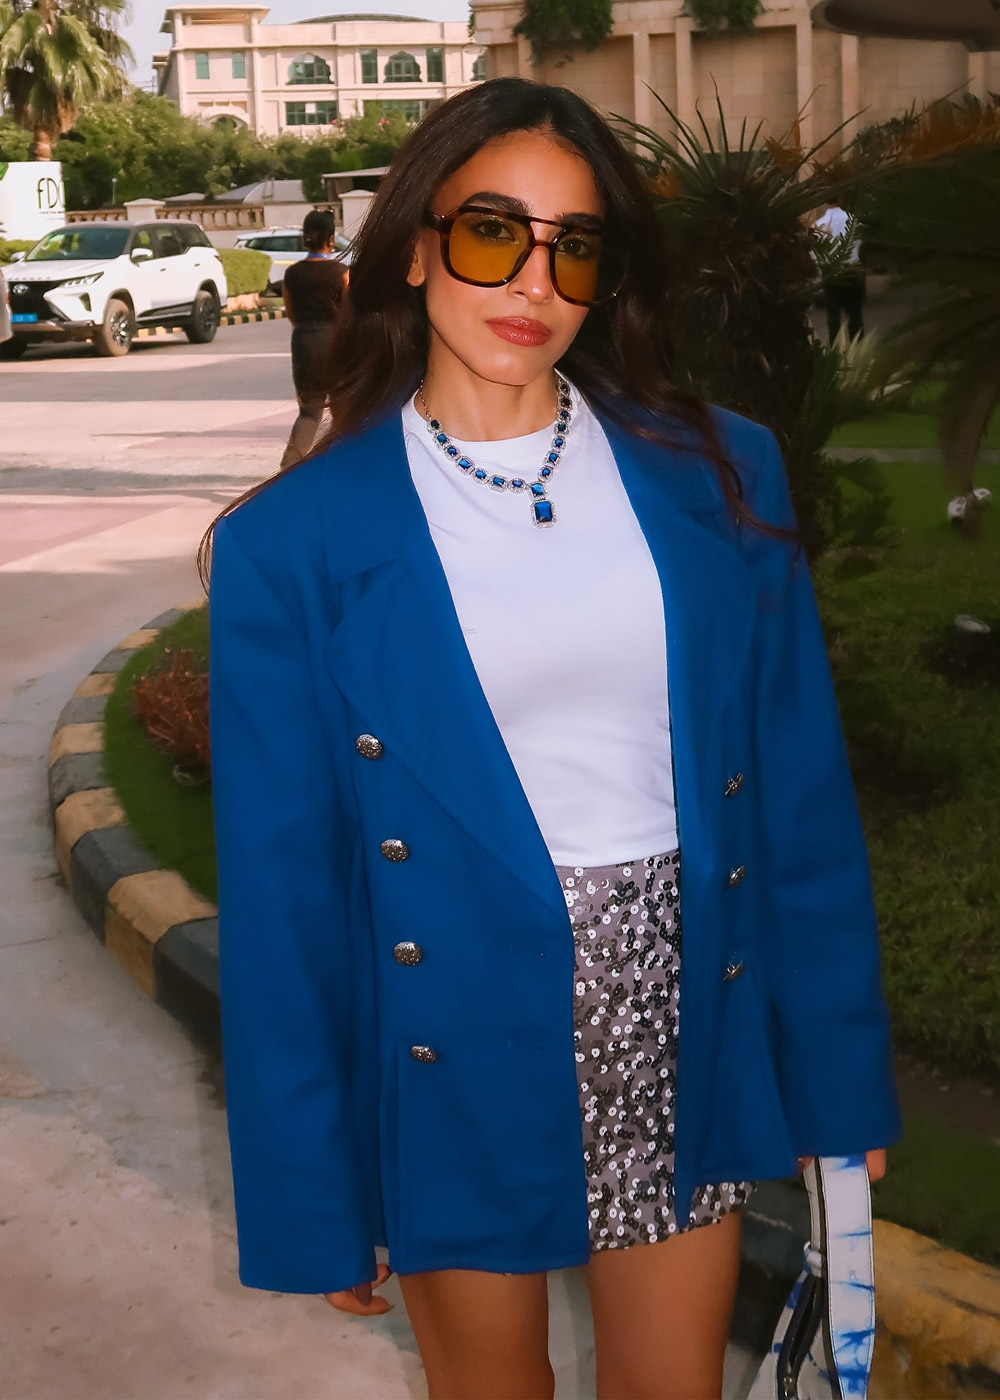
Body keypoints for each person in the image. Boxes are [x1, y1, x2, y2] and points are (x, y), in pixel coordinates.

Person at [203, 78, 902, 1400]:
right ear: (417, 249)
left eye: (574, 246)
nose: (533, 280)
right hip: (454, 1016)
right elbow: (285, 898)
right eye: (491, 233)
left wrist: (839, 1076)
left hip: (677, 1001)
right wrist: (318, 1184)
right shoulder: (292, 543)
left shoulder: (719, 470)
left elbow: (798, 798)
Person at [279, 208, 348, 469]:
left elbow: (292, 314)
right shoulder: (342, 273)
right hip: (335, 344)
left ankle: (289, 469)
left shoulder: (292, 274)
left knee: (309, 413)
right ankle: (341, 466)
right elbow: (349, 315)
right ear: (330, 239)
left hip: (303, 342)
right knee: (343, 411)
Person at [813, 202, 866, 343]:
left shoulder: (819, 223)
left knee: (833, 316)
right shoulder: (853, 221)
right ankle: (857, 346)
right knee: (854, 315)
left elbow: (816, 250)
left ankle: (835, 346)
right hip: (850, 272)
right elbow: (858, 244)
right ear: (840, 200)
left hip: (830, 273)